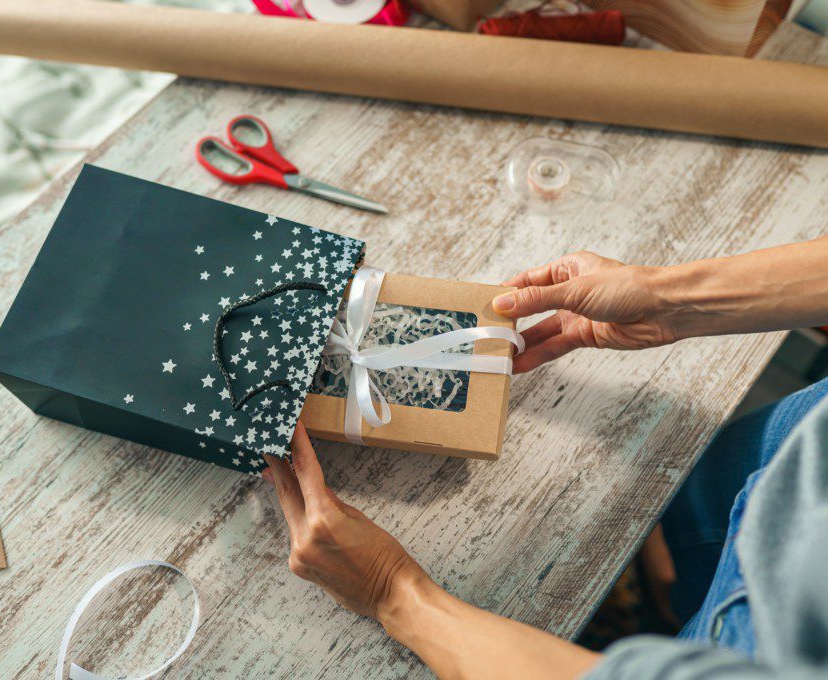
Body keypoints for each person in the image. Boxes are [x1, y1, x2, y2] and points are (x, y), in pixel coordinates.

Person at [262, 236, 828, 679]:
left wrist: (394, 594)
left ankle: (674, 616)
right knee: (697, 511)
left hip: (776, 640)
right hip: (804, 451)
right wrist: (664, 298)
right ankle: (669, 594)